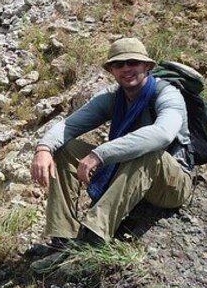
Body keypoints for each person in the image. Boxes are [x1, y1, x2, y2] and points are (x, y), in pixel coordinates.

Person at [30, 37, 192, 265]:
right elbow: (69, 126)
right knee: (66, 148)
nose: (126, 68)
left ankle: (91, 240)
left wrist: (100, 154)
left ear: (147, 66)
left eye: (133, 62)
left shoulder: (168, 95)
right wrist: (44, 148)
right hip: (131, 175)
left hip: (171, 185)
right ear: (111, 71)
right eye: (119, 64)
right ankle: (62, 238)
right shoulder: (113, 98)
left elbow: (163, 134)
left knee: (148, 150)